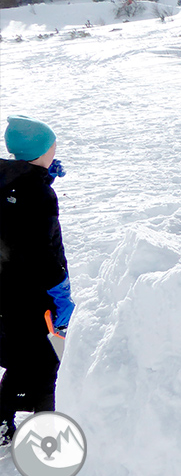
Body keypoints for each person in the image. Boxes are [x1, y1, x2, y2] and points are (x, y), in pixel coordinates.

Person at [1, 116, 74, 445]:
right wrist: (60, 291)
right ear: (42, 152)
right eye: (52, 147)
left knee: (19, 355)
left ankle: (3, 420)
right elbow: (45, 249)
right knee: (45, 359)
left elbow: (15, 214)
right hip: (33, 292)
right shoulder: (39, 195)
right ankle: (47, 431)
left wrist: (38, 175)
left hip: (6, 288)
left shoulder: (8, 179)